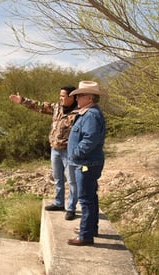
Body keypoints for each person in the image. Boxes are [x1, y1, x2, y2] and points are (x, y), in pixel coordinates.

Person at [9, 86, 79, 220]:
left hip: (69, 152)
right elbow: (40, 106)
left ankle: (71, 208)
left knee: (72, 181)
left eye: (63, 96)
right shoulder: (57, 107)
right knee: (58, 178)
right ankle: (59, 203)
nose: (60, 98)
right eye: (60, 95)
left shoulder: (79, 112)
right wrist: (22, 100)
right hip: (55, 149)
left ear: (73, 97)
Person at [67, 81, 107, 246]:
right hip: (88, 162)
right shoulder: (88, 113)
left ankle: (85, 235)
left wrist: (76, 154)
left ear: (89, 97)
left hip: (86, 163)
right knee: (90, 197)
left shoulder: (90, 115)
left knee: (85, 199)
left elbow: (90, 139)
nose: (76, 98)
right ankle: (90, 229)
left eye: (80, 95)